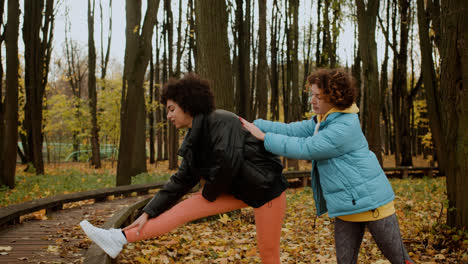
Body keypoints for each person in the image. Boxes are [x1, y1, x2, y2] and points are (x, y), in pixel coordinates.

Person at [80, 73, 288, 263]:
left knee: (268, 253)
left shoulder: (221, 120)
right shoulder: (192, 139)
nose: (169, 116)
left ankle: (118, 237)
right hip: (237, 190)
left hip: (266, 190)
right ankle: (118, 237)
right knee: (180, 211)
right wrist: (148, 211)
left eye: (172, 109)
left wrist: (206, 196)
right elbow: (181, 180)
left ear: (188, 105)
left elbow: (228, 161)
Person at [240, 68, 414, 264]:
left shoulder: (343, 126)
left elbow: (307, 148)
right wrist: (256, 124)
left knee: (400, 260)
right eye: (312, 95)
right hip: (347, 206)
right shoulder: (324, 120)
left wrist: (264, 137)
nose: (312, 101)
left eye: (318, 96)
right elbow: (293, 130)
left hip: (373, 204)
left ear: (334, 97)